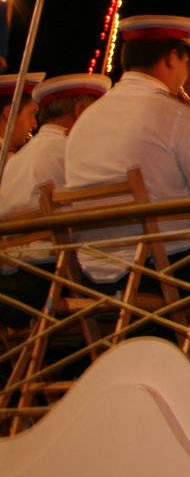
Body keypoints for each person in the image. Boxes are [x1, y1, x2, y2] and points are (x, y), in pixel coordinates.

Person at [65, 16, 190, 286]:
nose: (185, 73)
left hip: (92, 274)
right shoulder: (174, 112)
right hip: (162, 270)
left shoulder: (87, 117)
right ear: (170, 59)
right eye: (185, 62)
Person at [0, 74, 110, 325]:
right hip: (45, 280)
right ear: (81, 111)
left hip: (12, 277)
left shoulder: (21, 156)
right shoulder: (70, 152)